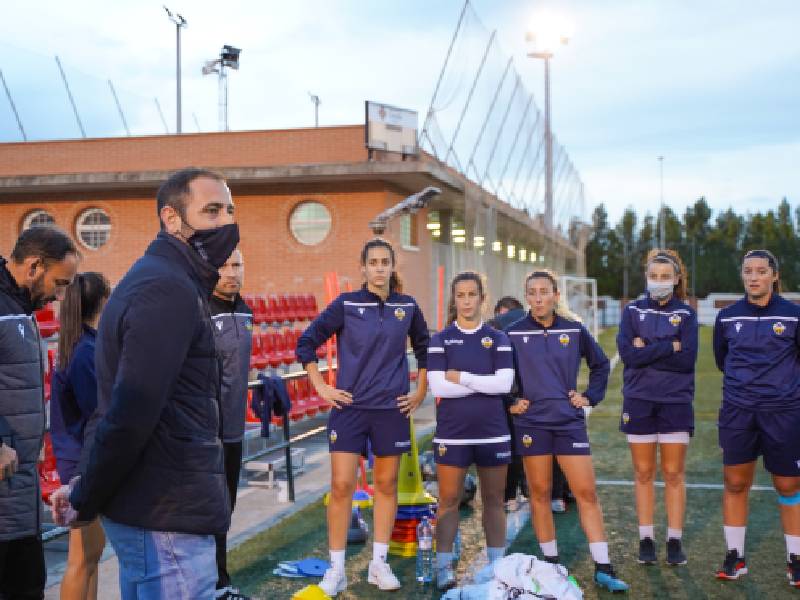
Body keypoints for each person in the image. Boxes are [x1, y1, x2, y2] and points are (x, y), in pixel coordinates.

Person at [53, 168, 239, 600]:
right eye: (211, 211)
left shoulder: (166, 279)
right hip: (164, 512)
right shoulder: (165, 287)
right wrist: (88, 493)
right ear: (172, 219)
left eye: (229, 210)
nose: (225, 222)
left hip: (157, 505)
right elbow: (130, 412)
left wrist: (86, 485)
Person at [295, 238, 429, 597]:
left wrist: (420, 390)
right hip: (350, 408)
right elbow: (306, 342)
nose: (380, 267)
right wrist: (321, 386)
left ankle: (378, 563)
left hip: (391, 409)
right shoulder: (346, 304)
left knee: (386, 486)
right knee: (342, 486)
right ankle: (336, 570)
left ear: (392, 266)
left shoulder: (407, 306)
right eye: (374, 262)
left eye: (386, 261)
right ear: (364, 267)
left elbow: (425, 348)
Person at [506, 270, 629, 592]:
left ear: (555, 295)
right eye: (531, 292)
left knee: (586, 493)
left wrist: (589, 397)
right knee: (540, 493)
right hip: (532, 423)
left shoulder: (573, 329)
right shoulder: (514, 333)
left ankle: (603, 566)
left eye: (543, 291)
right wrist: (510, 400)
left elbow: (600, 365)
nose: (537, 298)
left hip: (568, 422)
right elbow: (498, 372)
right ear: (526, 296)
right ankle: (552, 566)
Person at [0, 226, 79, 599]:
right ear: (34, 267)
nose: (60, 296)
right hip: (5, 480)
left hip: (20, 488)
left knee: (29, 589)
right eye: (59, 283)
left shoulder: (18, 306)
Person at [713, 249, 800, 585]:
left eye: (761, 271)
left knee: (789, 484)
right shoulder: (728, 317)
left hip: (785, 412)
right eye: (748, 271)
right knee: (735, 483)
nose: (753, 277)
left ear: (774, 276)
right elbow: (723, 360)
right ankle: (735, 556)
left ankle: (795, 558)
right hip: (739, 411)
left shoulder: (793, 315)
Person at [428, 272, 514, 590]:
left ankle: (497, 568)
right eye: (460, 295)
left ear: (482, 298)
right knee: (449, 500)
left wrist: (461, 377)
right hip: (453, 433)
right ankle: (443, 569)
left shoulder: (498, 338)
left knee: (494, 500)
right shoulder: (440, 340)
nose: (466, 301)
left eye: (472, 294)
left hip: (493, 433)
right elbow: (438, 386)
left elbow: (503, 385)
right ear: (455, 299)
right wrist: (482, 383)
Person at [617, 249, 698, 567]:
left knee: (674, 474)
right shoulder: (632, 311)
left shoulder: (687, 314)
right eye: (654, 276)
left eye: (666, 277)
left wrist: (649, 347)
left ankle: (674, 540)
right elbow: (629, 355)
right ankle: (646, 538)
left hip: (676, 401)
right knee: (643, 472)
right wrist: (670, 345)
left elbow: (687, 359)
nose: (660, 282)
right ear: (646, 278)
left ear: (676, 280)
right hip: (639, 399)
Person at [50, 273, 110, 600]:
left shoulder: (84, 343)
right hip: (80, 464)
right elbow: (95, 412)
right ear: (103, 301)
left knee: (92, 553)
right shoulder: (83, 351)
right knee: (80, 558)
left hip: (82, 459)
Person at [209, 248, 253, 600]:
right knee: (207, 514)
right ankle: (215, 584)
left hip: (234, 431)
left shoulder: (246, 310)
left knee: (226, 511)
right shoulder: (198, 309)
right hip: (205, 433)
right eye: (222, 266)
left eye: (236, 265)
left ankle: (220, 581)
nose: (230, 273)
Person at [489, 297, 529, 512]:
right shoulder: (497, 331)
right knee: (511, 447)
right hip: (504, 396)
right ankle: (510, 493)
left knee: (520, 447)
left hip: (521, 395)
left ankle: (520, 490)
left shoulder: (503, 327)